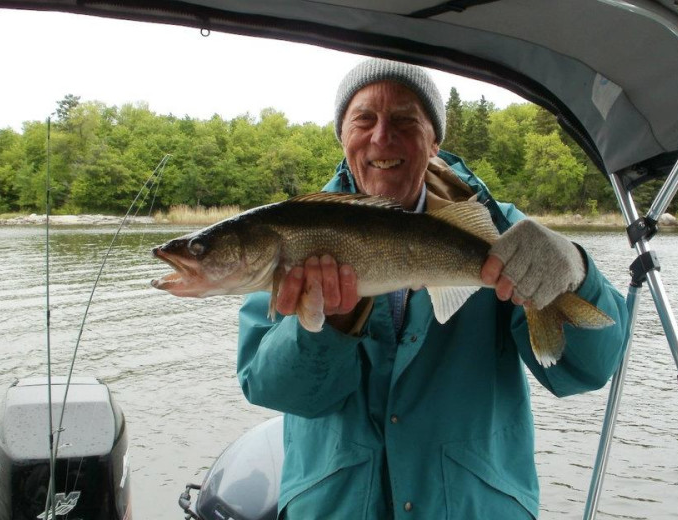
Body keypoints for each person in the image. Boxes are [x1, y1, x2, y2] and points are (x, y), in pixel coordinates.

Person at [237, 58, 628, 519]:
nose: (383, 136)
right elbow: (272, 388)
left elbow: (588, 369)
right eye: (364, 119)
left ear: (435, 140)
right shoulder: (294, 233)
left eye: (405, 119)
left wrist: (577, 271)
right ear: (342, 136)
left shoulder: (501, 232)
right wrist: (326, 327)